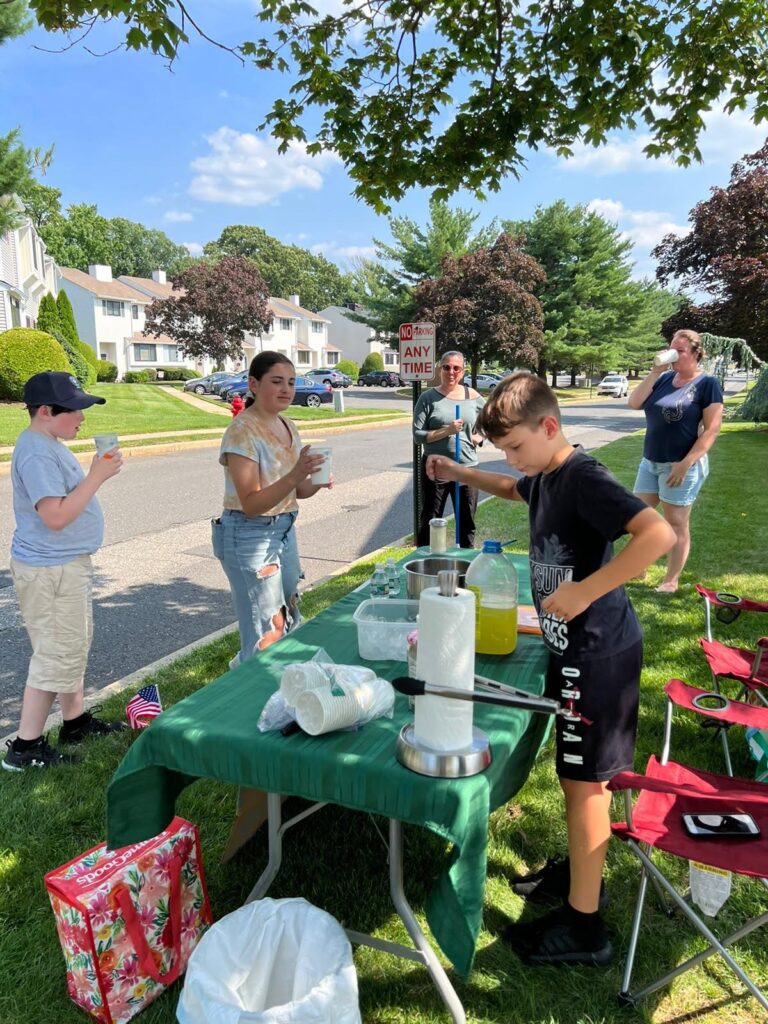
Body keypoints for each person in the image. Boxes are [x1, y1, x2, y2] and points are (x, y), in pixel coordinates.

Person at [426, 373, 675, 967]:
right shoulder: (546, 475)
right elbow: (515, 490)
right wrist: (462, 474)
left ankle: (586, 925)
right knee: (574, 779)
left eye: (515, 446)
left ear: (550, 426)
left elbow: (656, 532)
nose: (512, 459)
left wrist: (586, 590)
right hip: (574, 649)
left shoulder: (583, 476)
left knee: (586, 786)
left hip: (598, 653)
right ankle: (580, 874)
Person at [4, 372, 126, 772]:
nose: (81, 417)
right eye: (75, 410)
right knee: (55, 654)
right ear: (45, 411)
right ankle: (25, 747)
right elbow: (54, 515)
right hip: (50, 569)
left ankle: (74, 723)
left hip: (60, 566)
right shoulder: (37, 452)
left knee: (70, 646)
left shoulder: (46, 443)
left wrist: (95, 477)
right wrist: (97, 476)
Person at [212, 351, 331, 668]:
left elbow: (297, 492)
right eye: (276, 381)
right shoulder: (242, 431)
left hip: (284, 530)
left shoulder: (288, 425)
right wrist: (297, 473)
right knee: (266, 630)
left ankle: (261, 676)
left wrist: (317, 480)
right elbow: (251, 503)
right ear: (253, 384)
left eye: (291, 382)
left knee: (288, 611)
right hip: (248, 535)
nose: (286, 389)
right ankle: (254, 687)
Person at [628, 329, 724, 593]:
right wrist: (655, 372)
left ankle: (671, 580)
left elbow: (713, 429)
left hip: (680, 465)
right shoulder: (664, 378)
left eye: (680, 350)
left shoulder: (707, 385)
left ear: (696, 354)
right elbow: (634, 403)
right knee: (639, 517)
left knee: (677, 523)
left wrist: (686, 463)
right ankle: (640, 568)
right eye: (672, 348)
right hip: (650, 462)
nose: (674, 354)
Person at [413, 350, 485, 548]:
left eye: (456, 368)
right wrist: (448, 430)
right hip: (436, 468)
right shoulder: (428, 398)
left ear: (463, 372)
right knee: (430, 520)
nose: (451, 372)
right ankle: (427, 566)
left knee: (467, 522)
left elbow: (494, 419)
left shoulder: (473, 396)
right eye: (446, 367)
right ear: (440, 369)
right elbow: (418, 435)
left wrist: (480, 436)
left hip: (467, 468)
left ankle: (465, 569)